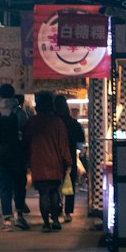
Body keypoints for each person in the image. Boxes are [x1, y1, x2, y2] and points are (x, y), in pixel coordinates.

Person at [24, 92, 71, 232]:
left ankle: (46, 223)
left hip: (38, 163)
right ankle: (56, 220)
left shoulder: (31, 122)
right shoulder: (57, 122)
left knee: (43, 193)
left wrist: (27, 163)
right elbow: (64, 144)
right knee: (54, 192)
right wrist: (68, 162)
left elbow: (26, 143)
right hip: (54, 163)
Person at [0, 83, 29, 231]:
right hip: (17, 155)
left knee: (3, 188)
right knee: (19, 185)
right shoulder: (19, 113)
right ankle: (19, 215)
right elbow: (25, 134)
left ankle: (7, 220)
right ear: (13, 95)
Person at [53, 94, 86, 223]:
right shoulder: (72, 123)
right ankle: (68, 213)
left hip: (54, 156)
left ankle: (57, 208)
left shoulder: (53, 122)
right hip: (70, 157)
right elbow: (80, 140)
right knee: (69, 186)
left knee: (55, 185)